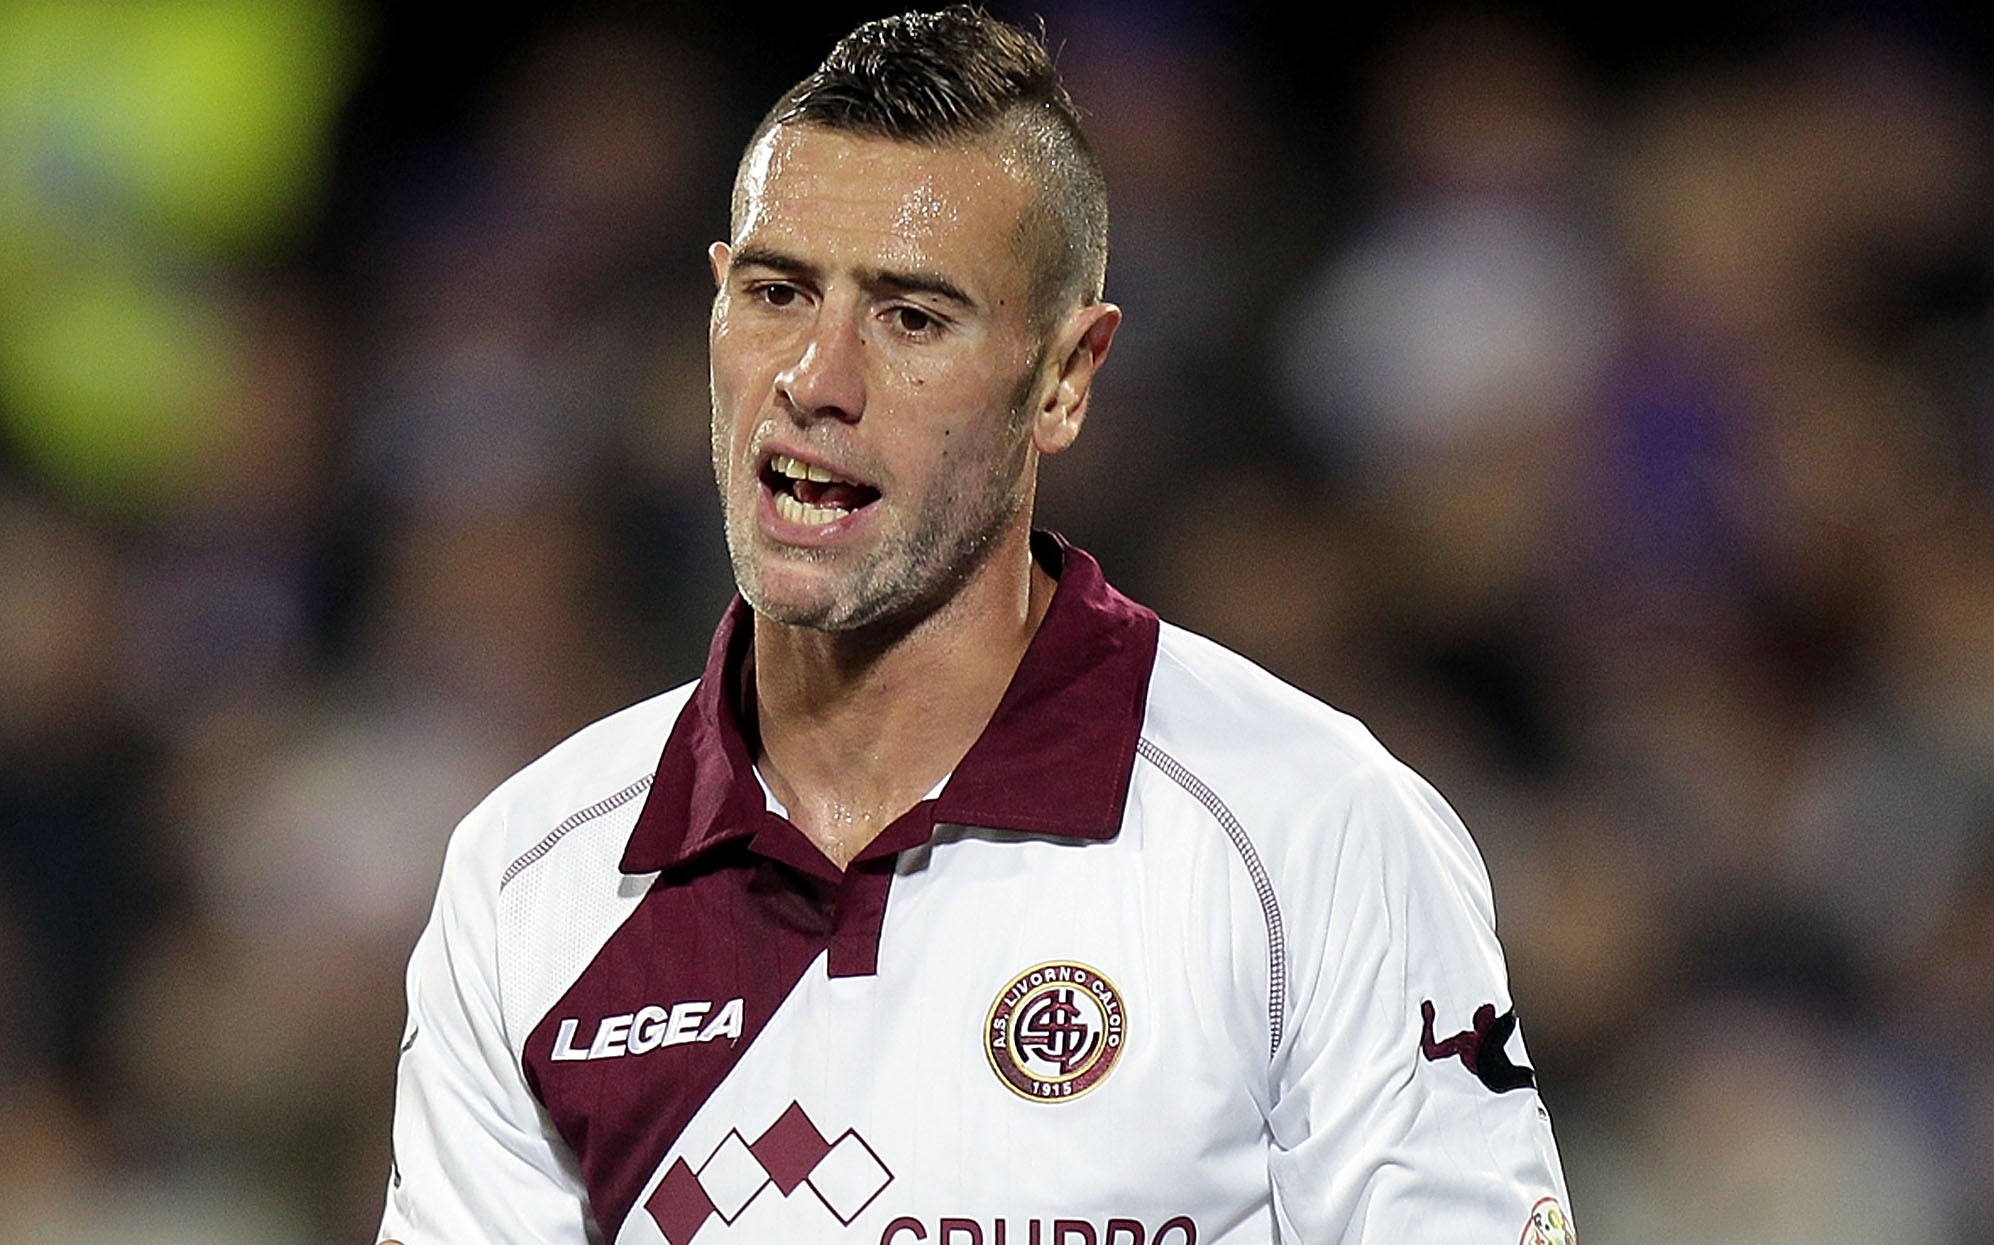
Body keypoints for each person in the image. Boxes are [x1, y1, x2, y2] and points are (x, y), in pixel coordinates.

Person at [377, 7, 1574, 1244]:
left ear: (1062, 378)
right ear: (716, 309)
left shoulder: (1309, 829)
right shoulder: (531, 884)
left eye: (911, 318)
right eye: (780, 294)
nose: (816, 379)